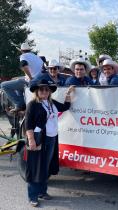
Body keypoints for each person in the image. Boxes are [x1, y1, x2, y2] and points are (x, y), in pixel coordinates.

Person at [25, 79, 74, 207]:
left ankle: (42, 191)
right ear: (37, 91)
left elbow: (65, 107)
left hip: (52, 137)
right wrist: (31, 140)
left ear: (49, 91)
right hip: (38, 138)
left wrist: (68, 93)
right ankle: (33, 196)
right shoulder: (32, 104)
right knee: (36, 167)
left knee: (45, 166)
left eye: (47, 89)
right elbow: (28, 124)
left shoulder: (52, 103)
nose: (44, 91)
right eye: (41, 89)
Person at [1, 42, 43, 112]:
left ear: (21, 51)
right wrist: (20, 77)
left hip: (31, 81)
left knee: (3, 85)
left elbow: (24, 66)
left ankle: (19, 104)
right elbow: (37, 71)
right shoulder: (37, 57)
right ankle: (21, 104)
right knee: (17, 80)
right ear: (29, 50)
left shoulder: (23, 56)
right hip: (39, 80)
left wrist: (30, 78)